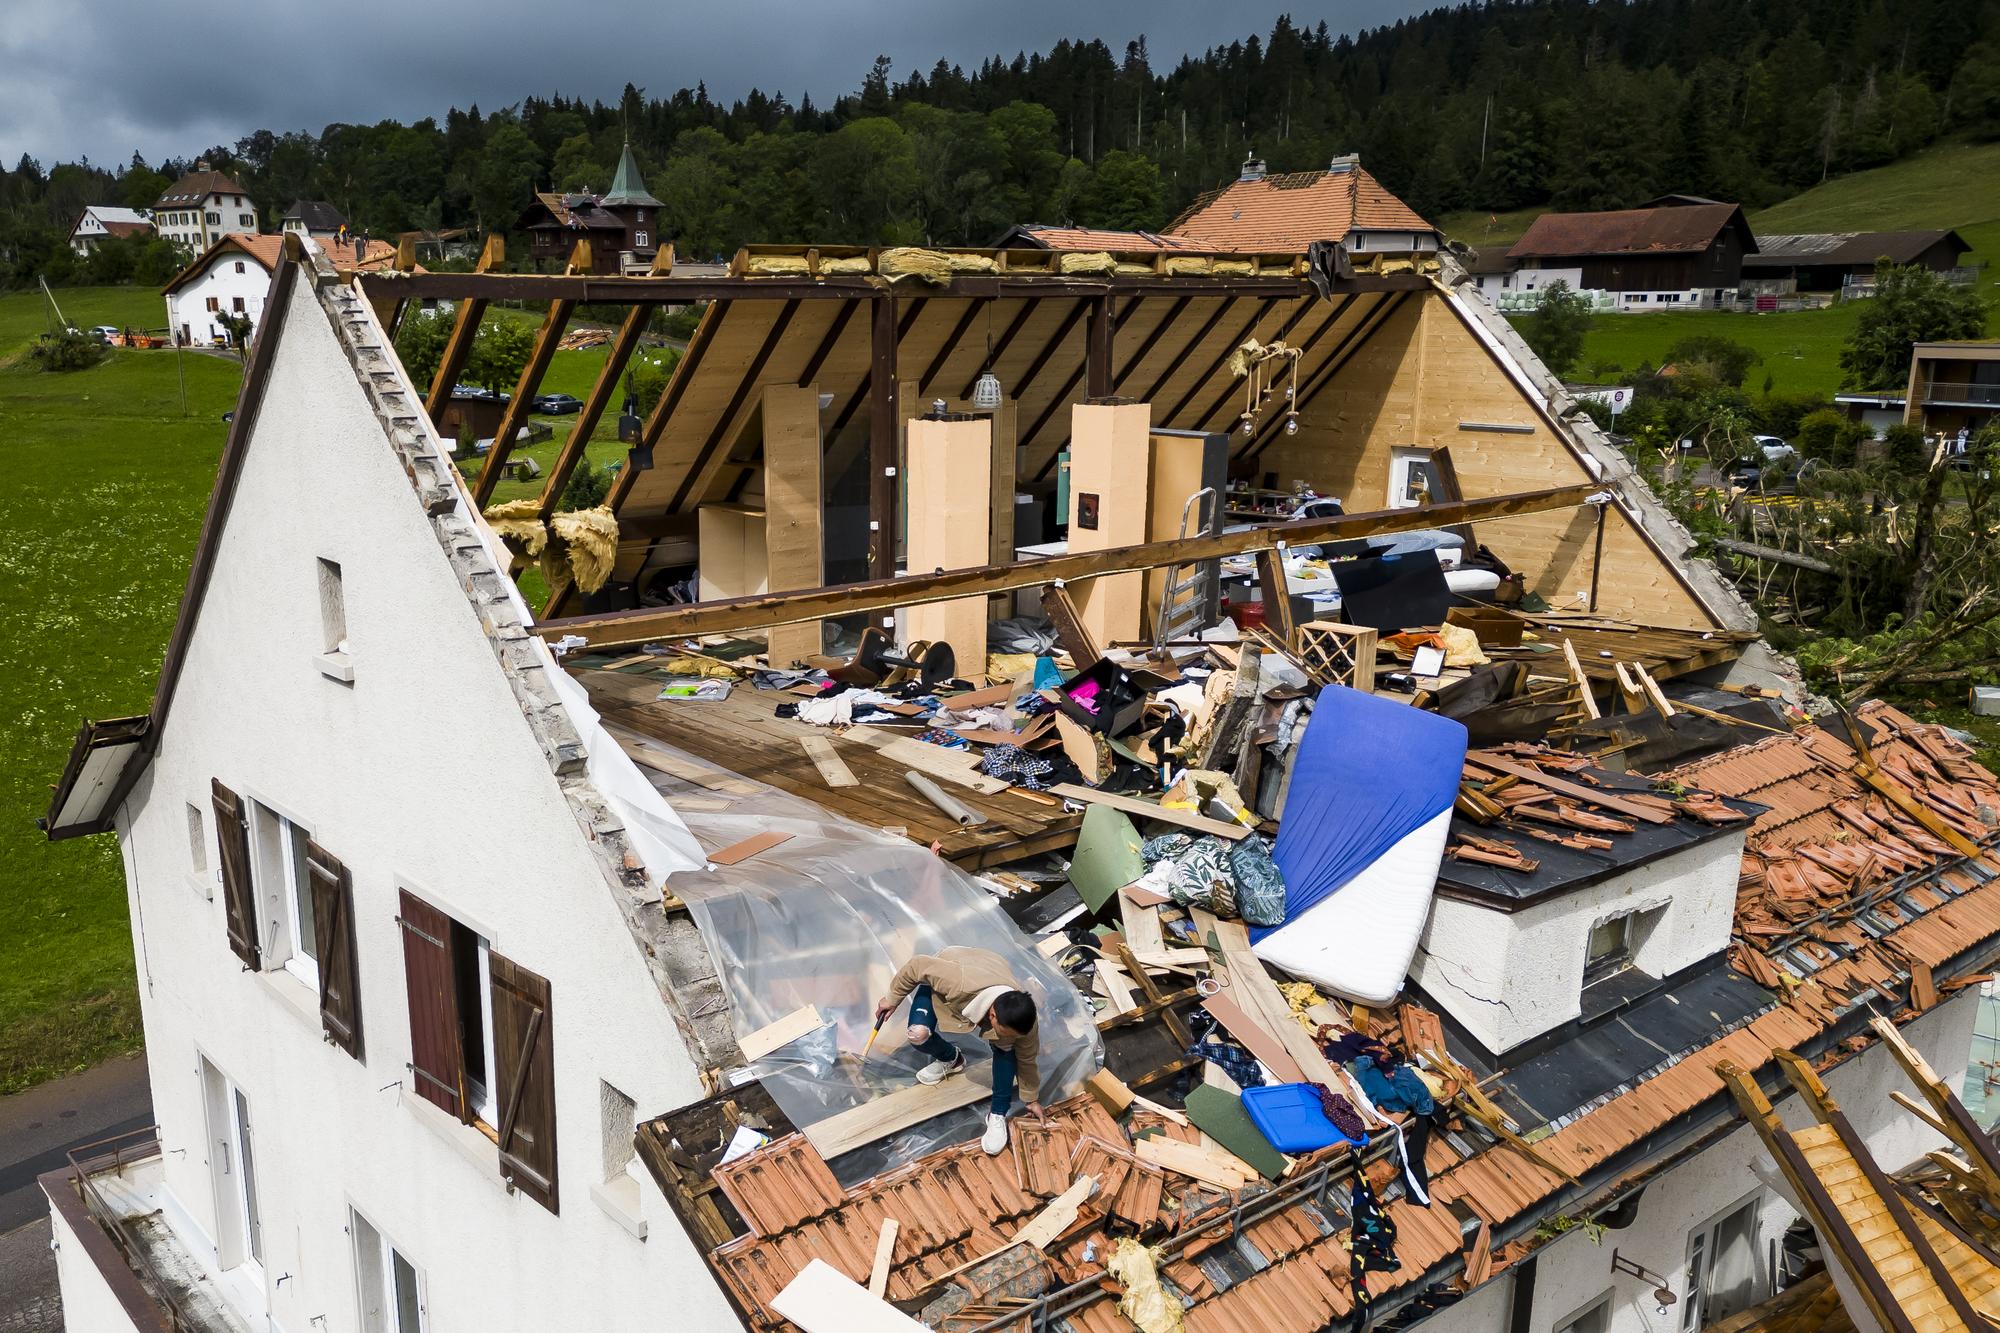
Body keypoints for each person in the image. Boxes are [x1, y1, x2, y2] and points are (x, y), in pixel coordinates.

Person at [876, 946, 1045, 1154]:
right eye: (1005, 1031)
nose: (1010, 1036)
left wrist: (1031, 1098)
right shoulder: (957, 982)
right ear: (992, 1015)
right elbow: (917, 965)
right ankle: (951, 1058)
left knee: (1007, 1050)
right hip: (955, 973)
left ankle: (997, 1114)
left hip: (991, 966)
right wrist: (892, 998)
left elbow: (1026, 1059)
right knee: (918, 1034)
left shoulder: (1024, 1022)